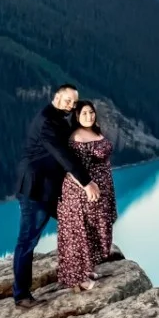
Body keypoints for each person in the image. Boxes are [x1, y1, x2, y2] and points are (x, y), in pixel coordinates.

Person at [11, 83, 97, 307]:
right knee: (27, 240)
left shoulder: (59, 117)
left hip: (50, 188)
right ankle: (21, 295)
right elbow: (62, 154)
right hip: (35, 189)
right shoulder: (47, 121)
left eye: (74, 101)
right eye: (67, 100)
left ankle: (77, 274)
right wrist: (86, 183)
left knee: (75, 224)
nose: (71, 105)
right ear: (56, 97)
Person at [55, 101, 117, 291]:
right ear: (76, 116)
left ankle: (87, 269)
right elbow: (71, 168)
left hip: (101, 190)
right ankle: (78, 279)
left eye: (91, 112)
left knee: (92, 230)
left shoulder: (95, 131)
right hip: (82, 193)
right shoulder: (76, 138)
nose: (89, 116)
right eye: (84, 113)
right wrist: (85, 187)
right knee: (79, 234)